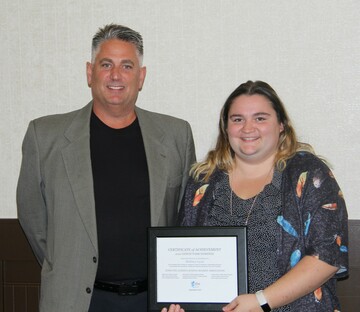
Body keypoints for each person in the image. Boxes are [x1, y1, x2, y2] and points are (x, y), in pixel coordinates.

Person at [17, 24, 196, 312]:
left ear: (141, 77)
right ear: (90, 73)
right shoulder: (45, 135)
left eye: (127, 65)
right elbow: (33, 219)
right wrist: (68, 268)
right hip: (77, 300)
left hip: (155, 301)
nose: (116, 75)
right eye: (106, 64)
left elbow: (186, 216)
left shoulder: (177, 135)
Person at [162, 80, 348, 312]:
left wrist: (261, 301)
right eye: (237, 119)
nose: (248, 128)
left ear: (281, 124)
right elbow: (186, 260)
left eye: (260, 118)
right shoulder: (203, 182)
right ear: (226, 128)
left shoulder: (309, 174)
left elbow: (327, 256)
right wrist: (181, 304)